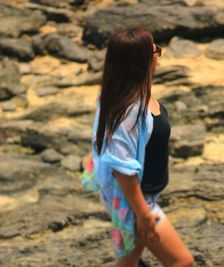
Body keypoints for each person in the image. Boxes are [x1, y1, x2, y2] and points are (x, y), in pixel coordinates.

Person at [80, 26, 194, 267]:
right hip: (137, 201)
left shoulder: (121, 92)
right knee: (182, 262)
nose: (156, 51)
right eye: (153, 48)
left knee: (130, 259)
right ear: (141, 60)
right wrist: (143, 216)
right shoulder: (129, 110)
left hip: (139, 198)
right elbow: (122, 168)